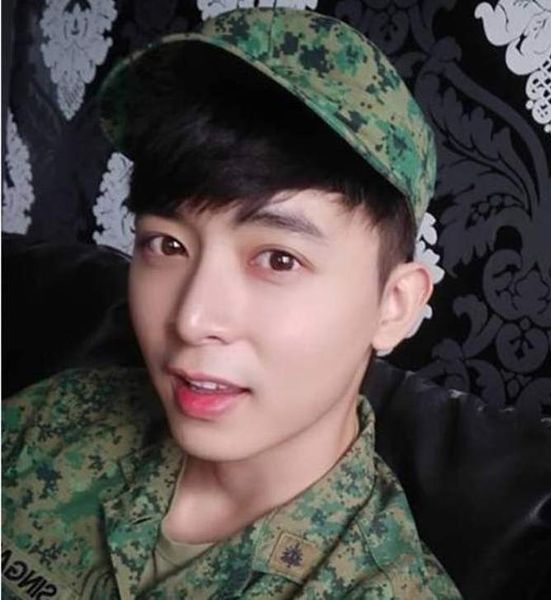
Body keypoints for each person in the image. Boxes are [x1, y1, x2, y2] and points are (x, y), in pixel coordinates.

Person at [2, 7, 461, 599]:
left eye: (278, 260)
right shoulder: (55, 422)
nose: (191, 320)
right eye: (167, 245)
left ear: (393, 306)